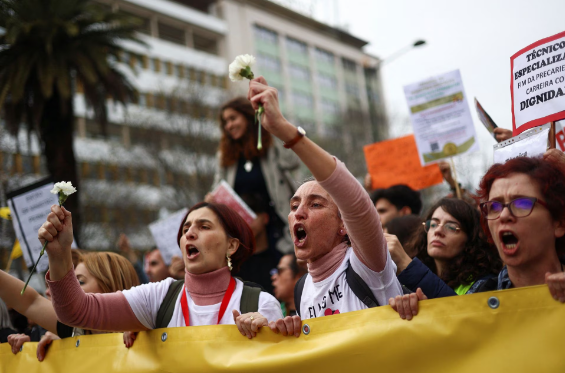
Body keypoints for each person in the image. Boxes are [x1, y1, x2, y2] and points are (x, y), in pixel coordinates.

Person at [231, 76, 404, 339]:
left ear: (344, 225)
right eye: (294, 205)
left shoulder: (368, 264)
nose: (298, 212)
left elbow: (356, 203)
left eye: (315, 204)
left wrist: (284, 130)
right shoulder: (302, 290)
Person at [41, 201, 284, 340]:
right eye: (186, 228)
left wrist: (264, 333)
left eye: (204, 226)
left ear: (231, 245)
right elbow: (75, 311)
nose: (189, 233)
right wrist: (59, 254)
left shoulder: (261, 304)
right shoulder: (160, 297)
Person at [1, 251, 139, 360]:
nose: (67, 290)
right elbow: (30, 302)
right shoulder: (74, 330)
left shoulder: (146, 333)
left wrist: (142, 332)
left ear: (111, 290)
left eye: (79, 282)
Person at [469, 156, 565, 300]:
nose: (504, 215)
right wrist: (428, 317)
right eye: (494, 206)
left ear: (559, 223)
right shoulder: (477, 301)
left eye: (522, 204)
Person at [213, 97, 299, 254]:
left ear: (247, 116)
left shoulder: (270, 145)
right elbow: (218, 190)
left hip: (279, 232)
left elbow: (293, 162)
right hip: (243, 237)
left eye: (233, 118)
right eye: (225, 122)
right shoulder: (225, 156)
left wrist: (274, 127)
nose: (229, 125)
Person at [389, 198, 501, 300]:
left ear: (471, 239)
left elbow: (460, 315)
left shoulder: (485, 285)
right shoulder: (404, 283)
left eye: (451, 227)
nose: (438, 231)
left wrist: (406, 263)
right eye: (433, 224)